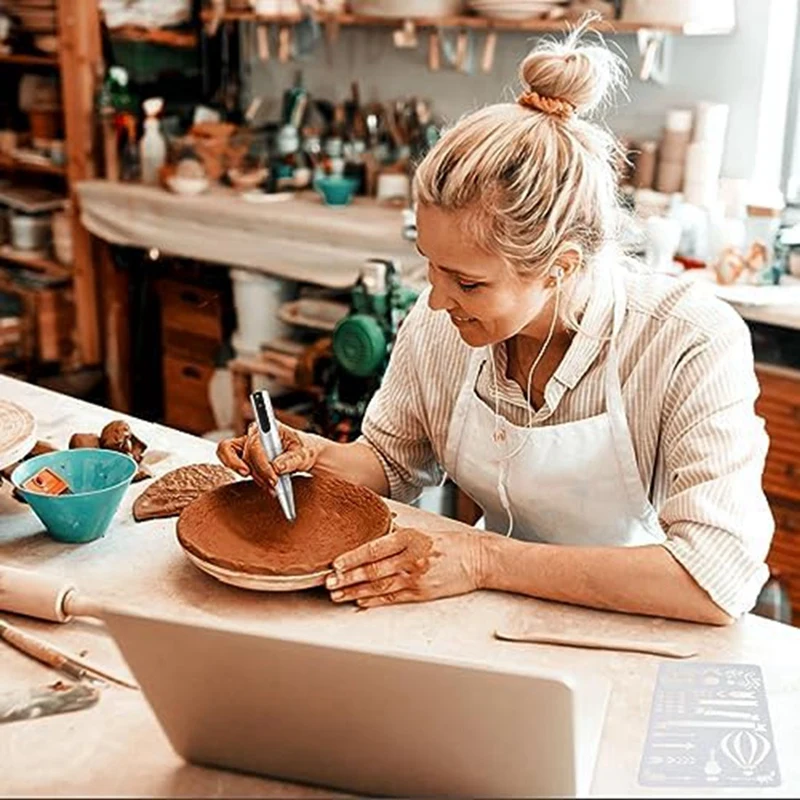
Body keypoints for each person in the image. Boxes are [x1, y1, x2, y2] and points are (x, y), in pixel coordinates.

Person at [218, 21, 773, 625]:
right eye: (432, 267)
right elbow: (393, 465)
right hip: (494, 618)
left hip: (645, 627)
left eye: (469, 282)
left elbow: (715, 578)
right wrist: (313, 457)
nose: (435, 301)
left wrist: (485, 560)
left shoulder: (686, 339)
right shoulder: (443, 328)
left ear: (559, 266)